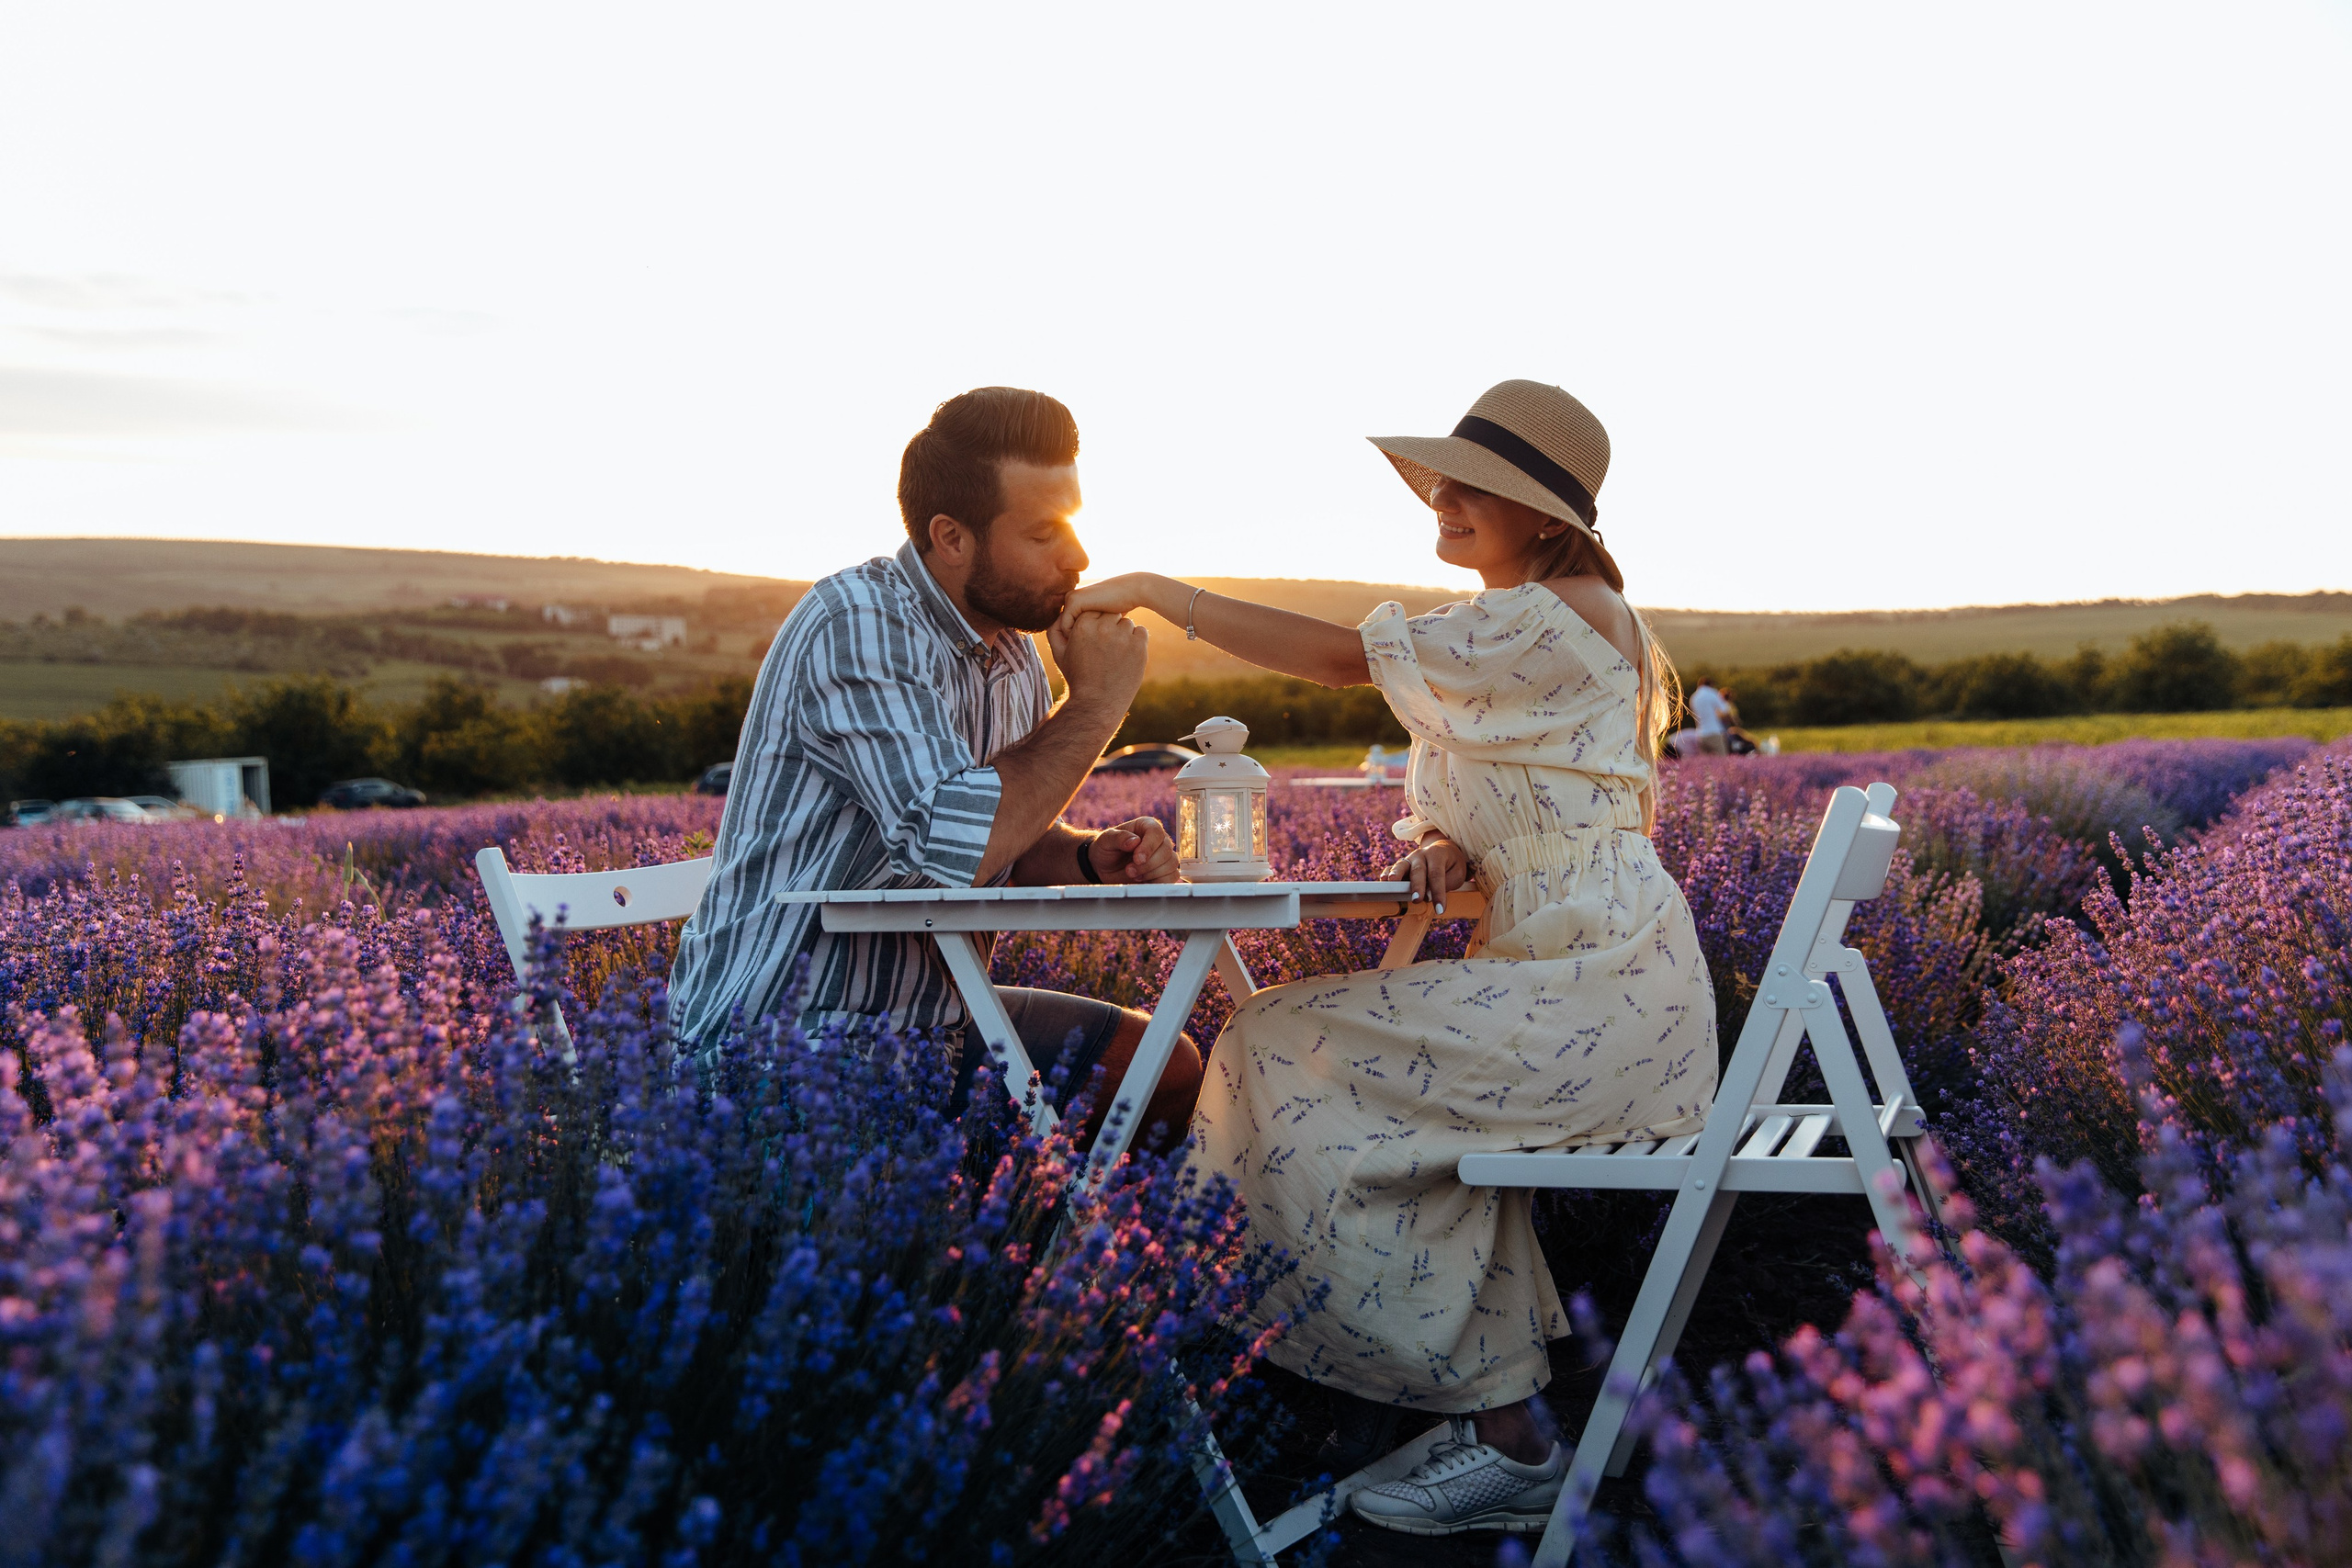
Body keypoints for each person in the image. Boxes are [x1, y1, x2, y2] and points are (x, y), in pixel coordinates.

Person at [1057, 380, 1718, 1536]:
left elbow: (1338, 659)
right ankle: (1494, 1424)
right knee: (1349, 1077)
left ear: (1549, 518)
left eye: (1480, 487)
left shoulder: (1552, 611)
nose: (1446, 497)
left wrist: (1166, 593)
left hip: (1593, 994)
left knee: (1275, 1039)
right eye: (1443, 477)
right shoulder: (1536, 625)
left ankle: (1270, 1357)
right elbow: (1551, 800)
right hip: (1585, 978)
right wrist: (1454, 846)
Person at [668, 387, 1204, 1153]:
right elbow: (961, 845)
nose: (1079, 556)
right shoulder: (858, 623)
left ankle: (1047, 1253)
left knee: (1162, 1068)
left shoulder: (1012, 653)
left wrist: (1085, 852)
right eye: (1046, 532)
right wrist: (1094, 708)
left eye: (1075, 524)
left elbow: (1006, 836)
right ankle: (993, 1251)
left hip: (939, 1018)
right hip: (793, 1030)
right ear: (951, 538)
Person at [1689, 679, 1733, 754]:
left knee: (1706, 763)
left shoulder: (1694, 697)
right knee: (1722, 760)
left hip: (1700, 734)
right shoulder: (1712, 693)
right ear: (1711, 685)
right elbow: (1725, 710)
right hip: (1714, 732)